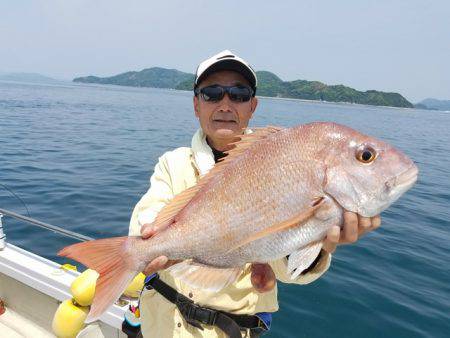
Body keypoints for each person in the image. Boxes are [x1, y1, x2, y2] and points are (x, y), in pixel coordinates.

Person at [128, 50, 381, 337]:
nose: (225, 103)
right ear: (196, 105)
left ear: (253, 106)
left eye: (239, 94)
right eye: (212, 93)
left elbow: (289, 272)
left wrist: (319, 242)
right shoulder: (173, 163)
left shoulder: (280, 163)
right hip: (161, 325)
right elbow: (144, 221)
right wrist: (154, 244)